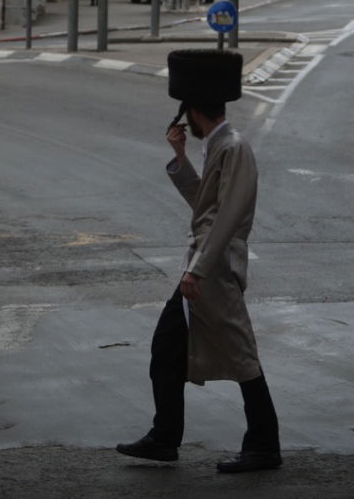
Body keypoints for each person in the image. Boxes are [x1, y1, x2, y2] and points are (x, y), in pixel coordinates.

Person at [116, 49, 281, 474]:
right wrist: (180, 159)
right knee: (168, 349)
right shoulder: (217, 144)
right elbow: (205, 207)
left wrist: (198, 269)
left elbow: (228, 217)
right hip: (206, 265)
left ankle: (262, 446)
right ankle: (165, 437)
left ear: (191, 108)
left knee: (241, 356)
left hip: (215, 269)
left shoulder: (234, 147)